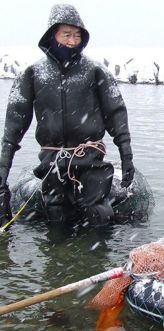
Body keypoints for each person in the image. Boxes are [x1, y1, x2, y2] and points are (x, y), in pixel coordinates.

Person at [0, 4, 135, 227]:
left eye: (77, 35)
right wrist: (3, 173)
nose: (73, 41)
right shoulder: (33, 74)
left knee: (99, 214)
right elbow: (13, 126)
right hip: (52, 161)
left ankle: (95, 259)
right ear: (52, 35)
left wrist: (126, 156)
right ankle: (59, 259)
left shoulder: (95, 71)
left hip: (90, 158)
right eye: (67, 34)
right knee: (56, 217)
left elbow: (116, 113)